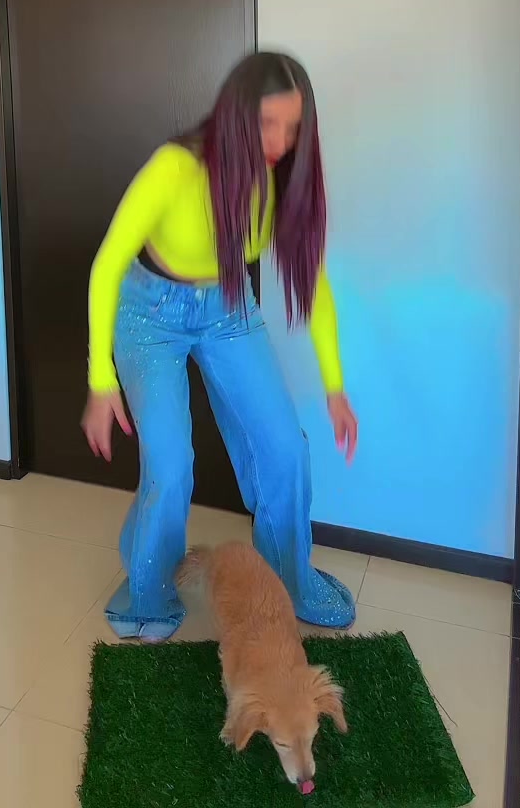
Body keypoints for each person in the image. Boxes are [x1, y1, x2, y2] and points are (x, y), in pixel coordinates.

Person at [81, 51, 358, 642]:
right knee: (171, 464)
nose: (280, 142)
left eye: (293, 128)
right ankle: (149, 586)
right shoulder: (175, 168)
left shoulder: (280, 181)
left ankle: (286, 581)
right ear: (236, 116)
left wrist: (335, 387)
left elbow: (316, 287)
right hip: (148, 313)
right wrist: (99, 379)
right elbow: (106, 266)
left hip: (228, 309)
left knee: (286, 448)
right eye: (267, 124)